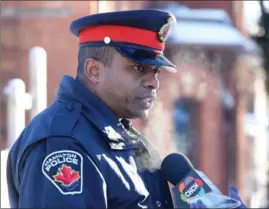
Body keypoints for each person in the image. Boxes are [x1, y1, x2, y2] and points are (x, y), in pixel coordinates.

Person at [6, 9, 248, 209]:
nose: (153, 81)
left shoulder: (121, 138)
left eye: (154, 70)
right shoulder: (64, 144)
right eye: (137, 68)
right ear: (93, 70)